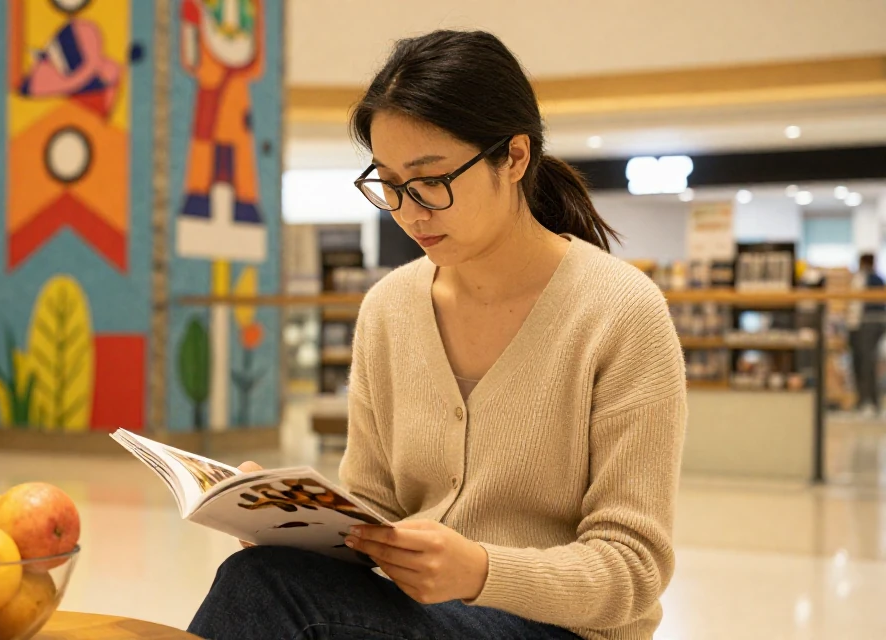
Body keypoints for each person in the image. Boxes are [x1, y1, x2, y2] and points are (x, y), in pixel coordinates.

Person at [189, 30, 686, 640]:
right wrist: (288, 520)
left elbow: (633, 571)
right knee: (264, 569)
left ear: (516, 158)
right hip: (426, 617)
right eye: (390, 184)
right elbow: (374, 512)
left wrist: (481, 571)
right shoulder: (389, 308)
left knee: (261, 589)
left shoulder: (621, 312)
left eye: (431, 180)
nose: (410, 211)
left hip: (557, 628)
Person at [849, 253, 885, 416]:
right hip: (858, 324)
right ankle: (863, 399)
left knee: (867, 364)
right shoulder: (864, 278)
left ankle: (870, 401)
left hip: (869, 323)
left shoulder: (873, 279)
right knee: (859, 363)